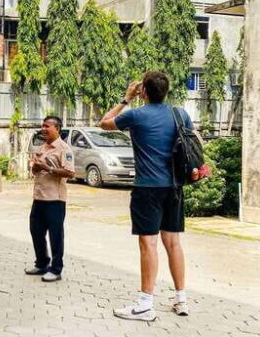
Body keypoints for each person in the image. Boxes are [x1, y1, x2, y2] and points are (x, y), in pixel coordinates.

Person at [99, 71, 196, 321]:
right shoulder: (180, 114)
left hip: (147, 188)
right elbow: (196, 141)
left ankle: (145, 303)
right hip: (174, 187)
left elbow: (104, 122)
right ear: (166, 91)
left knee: (148, 244)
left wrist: (126, 98)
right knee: (173, 242)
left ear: (143, 91)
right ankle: (181, 299)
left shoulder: (136, 114)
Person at [24, 116, 75, 282]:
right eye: (42, 126)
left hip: (55, 200)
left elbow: (70, 173)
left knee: (55, 235)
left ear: (57, 129)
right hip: (39, 198)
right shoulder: (43, 147)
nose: (43, 129)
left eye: (47, 126)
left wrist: (48, 168)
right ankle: (42, 264)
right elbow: (35, 171)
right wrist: (36, 167)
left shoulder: (64, 149)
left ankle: (56, 269)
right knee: (36, 231)